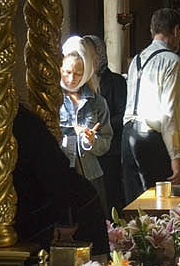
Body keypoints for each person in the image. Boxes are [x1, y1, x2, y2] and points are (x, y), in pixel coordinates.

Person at [14, 105, 109, 256]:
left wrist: (66, 218)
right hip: (46, 207)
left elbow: (54, 170)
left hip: (71, 207)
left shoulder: (20, 121)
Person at [122, 8, 180, 204]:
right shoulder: (172, 61)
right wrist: (176, 157)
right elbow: (169, 113)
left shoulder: (137, 60)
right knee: (158, 207)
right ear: (175, 31)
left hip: (127, 136)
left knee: (135, 206)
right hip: (150, 139)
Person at [59, 35, 113, 215]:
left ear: (86, 73)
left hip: (90, 174)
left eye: (78, 73)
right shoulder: (53, 99)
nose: (71, 78)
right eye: (67, 72)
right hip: (60, 172)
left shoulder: (97, 102)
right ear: (60, 69)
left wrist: (91, 141)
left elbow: (105, 141)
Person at [83, 34, 127, 215]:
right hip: (88, 151)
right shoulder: (82, 83)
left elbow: (123, 114)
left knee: (111, 195)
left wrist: (100, 124)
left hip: (110, 149)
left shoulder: (116, 81)